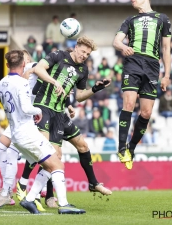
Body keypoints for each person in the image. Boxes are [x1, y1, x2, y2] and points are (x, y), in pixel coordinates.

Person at [17, 36, 112, 207]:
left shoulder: (83, 69)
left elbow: (81, 96)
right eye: (83, 51)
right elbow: (39, 69)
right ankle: (32, 191)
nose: (84, 55)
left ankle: (93, 183)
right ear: (76, 47)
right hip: (43, 107)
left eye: (88, 54)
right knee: (49, 154)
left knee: (82, 146)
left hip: (60, 113)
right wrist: (54, 82)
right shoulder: (58, 56)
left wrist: (96, 88)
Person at [0, 49, 85, 214]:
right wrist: (38, 111)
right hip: (27, 133)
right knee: (57, 163)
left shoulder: (2, 82)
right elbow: (26, 107)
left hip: (15, 135)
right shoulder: (22, 83)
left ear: (7, 65)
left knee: (48, 164)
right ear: (24, 64)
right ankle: (64, 205)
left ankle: (29, 199)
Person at [113, 0, 171, 170]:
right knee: (128, 104)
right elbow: (116, 40)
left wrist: (167, 75)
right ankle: (122, 148)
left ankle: (131, 146)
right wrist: (123, 47)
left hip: (153, 66)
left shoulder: (162, 19)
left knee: (146, 113)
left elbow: (166, 48)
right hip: (133, 62)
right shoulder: (129, 20)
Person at [0, 50, 44, 211]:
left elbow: (41, 68)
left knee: (17, 154)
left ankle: (15, 190)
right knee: (0, 147)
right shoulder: (16, 78)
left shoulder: (35, 66)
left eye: (23, 55)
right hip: (19, 117)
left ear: (27, 58)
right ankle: (7, 188)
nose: (23, 59)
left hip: (28, 117)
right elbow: (2, 87)